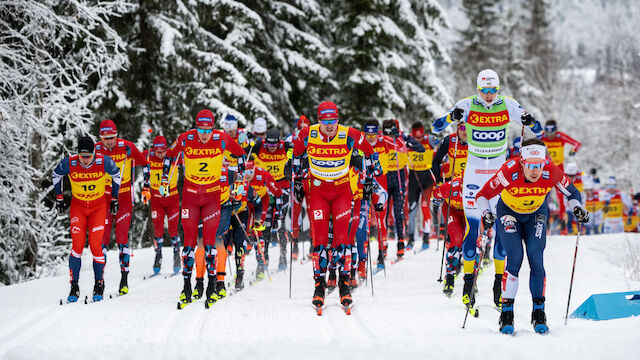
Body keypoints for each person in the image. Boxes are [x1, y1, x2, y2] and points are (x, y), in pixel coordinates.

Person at [431, 69, 543, 311]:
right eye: (485, 90)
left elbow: (539, 130)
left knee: (502, 232)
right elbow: (435, 127)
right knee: (473, 230)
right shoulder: (467, 105)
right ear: (478, 89)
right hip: (473, 171)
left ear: (499, 88)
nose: (489, 95)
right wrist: (452, 116)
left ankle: (497, 284)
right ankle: (468, 283)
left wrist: (530, 121)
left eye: (493, 90)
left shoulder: (509, 105)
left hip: (498, 173)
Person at [476, 138, 588, 334]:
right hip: (509, 212)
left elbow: (572, 193)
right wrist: (486, 213)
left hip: (536, 213)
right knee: (515, 257)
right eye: (531, 165)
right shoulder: (509, 171)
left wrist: (578, 208)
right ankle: (507, 313)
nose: (536, 170)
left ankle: (538, 312)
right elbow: (483, 195)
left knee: (536, 257)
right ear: (522, 162)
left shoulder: (551, 171)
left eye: (540, 164)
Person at [293, 101, 379, 310]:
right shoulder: (307, 134)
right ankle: (319, 287)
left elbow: (369, 152)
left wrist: (368, 178)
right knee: (320, 241)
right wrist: (296, 177)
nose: (329, 125)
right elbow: (295, 154)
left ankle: (344, 285)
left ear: (338, 120)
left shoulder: (348, 134)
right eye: (325, 121)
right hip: (319, 192)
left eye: (333, 121)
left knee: (342, 240)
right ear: (318, 121)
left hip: (342, 192)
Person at [161, 109, 246, 308]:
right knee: (189, 244)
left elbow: (241, 155)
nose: (205, 134)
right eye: (201, 129)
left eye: (208, 130)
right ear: (196, 127)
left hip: (212, 196)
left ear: (213, 128)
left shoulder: (222, 139)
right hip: (190, 196)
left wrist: (239, 182)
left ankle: (211, 287)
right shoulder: (185, 138)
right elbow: (168, 157)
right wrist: (165, 180)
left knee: (209, 244)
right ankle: (187, 288)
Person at [53, 136, 121, 302]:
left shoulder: (103, 161)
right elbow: (56, 174)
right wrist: (59, 197)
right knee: (77, 246)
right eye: (82, 156)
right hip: (79, 207)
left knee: (95, 246)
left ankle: (99, 283)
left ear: (94, 153)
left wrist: (114, 199)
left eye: (88, 156)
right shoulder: (70, 162)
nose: (85, 160)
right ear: (77, 154)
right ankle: (74, 286)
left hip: (98, 207)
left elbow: (117, 176)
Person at [95, 119, 149, 295]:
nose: (109, 141)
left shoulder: (127, 147)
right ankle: (99, 281)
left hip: (123, 196)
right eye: (105, 138)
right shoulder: (95, 150)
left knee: (121, 238)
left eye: (111, 137)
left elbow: (144, 163)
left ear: (116, 135)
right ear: (100, 137)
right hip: (103, 197)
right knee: (101, 240)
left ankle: (124, 279)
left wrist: (147, 186)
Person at [382, 119, 425, 258]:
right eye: (386, 132)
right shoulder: (380, 138)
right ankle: (383, 246)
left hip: (399, 177)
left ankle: (400, 243)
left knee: (399, 211)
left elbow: (420, 148)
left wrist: (404, 140)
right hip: (383, 177)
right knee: (384, 212)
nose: (389, 136)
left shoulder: (402, 137)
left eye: (392, 132)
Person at [250, 128, 292, 270]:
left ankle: (283, 256)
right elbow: (243, 153)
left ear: (279, 141)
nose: (272, 148)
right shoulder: (259, 145)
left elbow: (294, 150)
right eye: (269, 145)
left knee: (280, 224)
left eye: (274, 145)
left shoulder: (285, 146)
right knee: (265, 224)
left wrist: (291, 161)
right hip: (266, 188)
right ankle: (264, 256)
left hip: (282, 187)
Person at [142, 135, 181, 274]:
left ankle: (177, 254)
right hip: (157, 199)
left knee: (173, 229)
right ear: (153, 150)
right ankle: (158, 254)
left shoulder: (173, 156)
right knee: (157, 229)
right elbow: (133, 157)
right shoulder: (148, 156)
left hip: (172, 198)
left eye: (163, 151)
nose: (160, 154)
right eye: (157, 152)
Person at [241, 159, 283, 279]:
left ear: (254, 169)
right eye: (245, 172)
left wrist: (278, 215)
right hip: (247, 203)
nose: (247, 175)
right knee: (244, 231)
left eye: (250, 171)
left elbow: (278, 193)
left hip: (262, 203)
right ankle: (240, 269)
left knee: (257, 228)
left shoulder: (263, 175)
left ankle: (261, 265)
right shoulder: (240, 177)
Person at [362, 119, 394, 268]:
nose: (371, 138)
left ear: (378, 132)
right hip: (365, 183)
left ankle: (382, 253)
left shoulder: (385, 140)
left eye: (373, 135)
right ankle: (363, 255)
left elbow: (402, 147)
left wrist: (397, 136)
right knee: (365, 221)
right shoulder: (360, 141)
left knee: (381, 220)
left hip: (381, 185)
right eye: (368, 135)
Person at [541, 120, 582, 226]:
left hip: (558, 168)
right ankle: (544, 219)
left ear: (556, 131)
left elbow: (577, 144)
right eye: (547, 133)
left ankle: (562, 219)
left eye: (552, 133)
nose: (549, 136)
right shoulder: (541, 136)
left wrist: (574, 150)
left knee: (561, 194)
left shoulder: (560, 136)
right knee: (543, 193)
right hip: (545, 168)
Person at [406, 122, 438, 250]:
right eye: (415, 138)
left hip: (427, 177)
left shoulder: (429, 139)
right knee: (412, 208)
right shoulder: (408, 140)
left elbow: (442, 145)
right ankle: (411, 238)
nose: (418, 140)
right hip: (414, 176)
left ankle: (426, 237)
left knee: (425, 206)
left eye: (420, 137)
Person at [431, 177, 465, 295]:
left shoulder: (479, 186)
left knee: (472, 240)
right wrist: (436, 198)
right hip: (452, 209)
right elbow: (435, 193)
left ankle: (471, 280)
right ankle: (449, 277)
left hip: (469, 211)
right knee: (457, 237)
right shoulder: (452, 186)